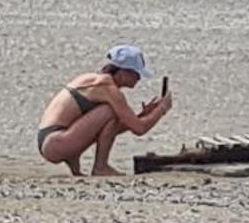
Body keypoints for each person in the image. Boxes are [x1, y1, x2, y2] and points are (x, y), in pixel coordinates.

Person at [37, 45, 171, 176]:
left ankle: (79, 167)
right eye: (136, 74)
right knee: (110, 111)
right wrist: (162, 109)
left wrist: (143, 114)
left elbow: (109, 128)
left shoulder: (92, 79)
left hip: (49, 139)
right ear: (124, 72)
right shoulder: (108, 88)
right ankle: (101, 167)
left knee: (114, 114)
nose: (139, 78)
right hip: (56, 142)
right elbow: (139, 129)